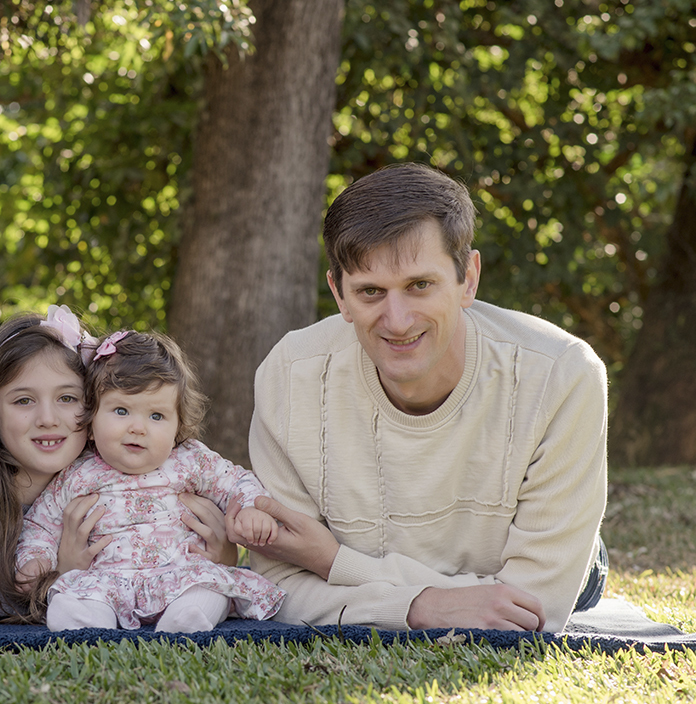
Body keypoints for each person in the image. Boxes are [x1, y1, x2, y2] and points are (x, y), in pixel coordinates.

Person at [242, 162, 608, 633]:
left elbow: (532, 606)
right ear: (339, 294)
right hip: (434, 567)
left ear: (468, 278)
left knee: (579, 575)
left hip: (518, 547)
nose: (397, 321)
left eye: (420, 285)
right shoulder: (290, 375)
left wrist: (335, 563)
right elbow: (275, 587)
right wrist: (420, 608)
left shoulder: (561, 374)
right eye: (370, 291)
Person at [0, 308, 237, 627]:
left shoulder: (113, 469)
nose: (48, 419)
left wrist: (220, 558)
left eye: (67, 398)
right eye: (23, 400)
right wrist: (53, 581)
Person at [16, 330, 286, 633]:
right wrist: (35, 560)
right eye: (121, 411)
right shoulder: (77, 474)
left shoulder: (190, 460)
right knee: (73, 597)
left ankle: (185, 621)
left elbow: (236, 482)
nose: (138, 428)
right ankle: (86, 625)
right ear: (90, 422)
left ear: (178, 427)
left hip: (181, 574)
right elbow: (41, 524)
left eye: (156, 416)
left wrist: (250, 508)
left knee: (207, 587)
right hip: (105, 582)